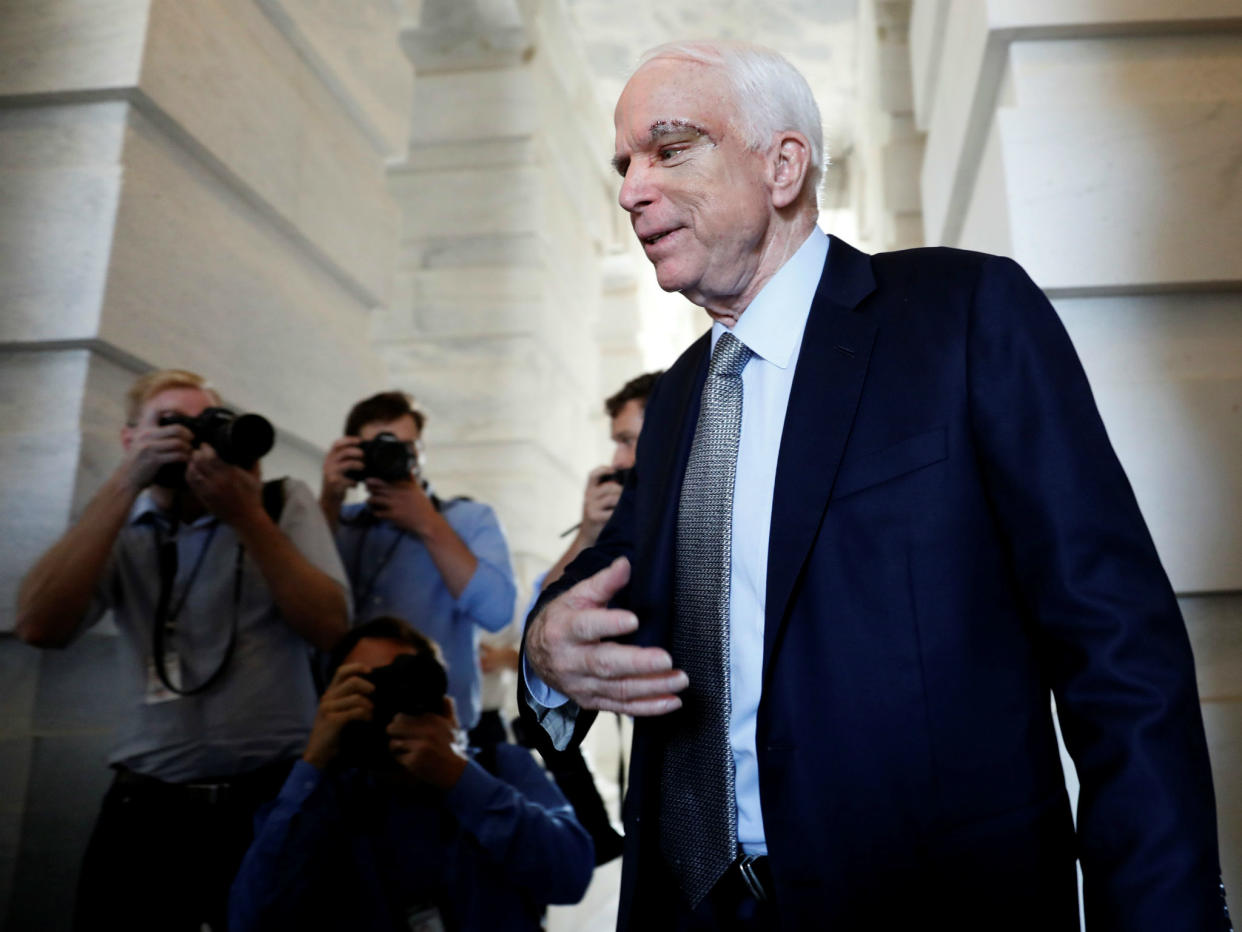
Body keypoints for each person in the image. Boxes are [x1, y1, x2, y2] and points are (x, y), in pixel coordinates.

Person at [519, 40, 1231, 931]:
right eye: (624, 164)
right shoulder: (673, 402)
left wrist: (1163, 917)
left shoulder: (964, 314)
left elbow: (1117, 648)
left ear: (782, 165)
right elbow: (608, 591)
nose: (631, 189)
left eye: (670, 149)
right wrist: (548, 650)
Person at [15, 368, 350, 931]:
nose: (189, 439)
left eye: (203, 424)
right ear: (130, 439)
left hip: (267, 798)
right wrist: (126, 483)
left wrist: (245, 517)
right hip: (148, 808)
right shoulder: (119, 522)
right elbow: (38, 626)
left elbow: (330, 627)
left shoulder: (277, 502)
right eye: (170, 424)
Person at [229, 616, 594, 931]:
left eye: (402, 680)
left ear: (439, 696)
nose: (387, 698)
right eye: (369, 686)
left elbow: (570, 875)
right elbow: (254, 919)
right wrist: (315, 758)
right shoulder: (326, 798)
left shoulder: (501, 767)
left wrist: (458, 774)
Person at [321, 391, 517, 732]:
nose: (393, 457)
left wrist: (426, 523)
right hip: (351, 723)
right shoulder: (338, 522)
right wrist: (329, 498)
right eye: (378, 448)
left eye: (406, 448)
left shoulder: (469, 519)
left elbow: (497, 612)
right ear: (353, 453)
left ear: (422, 453)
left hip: (442, 728)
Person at [544, 370, 662, 588]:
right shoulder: (619, 519)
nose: (616, 461)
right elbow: (543, 612)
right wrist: (587, 534)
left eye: (627, 441)